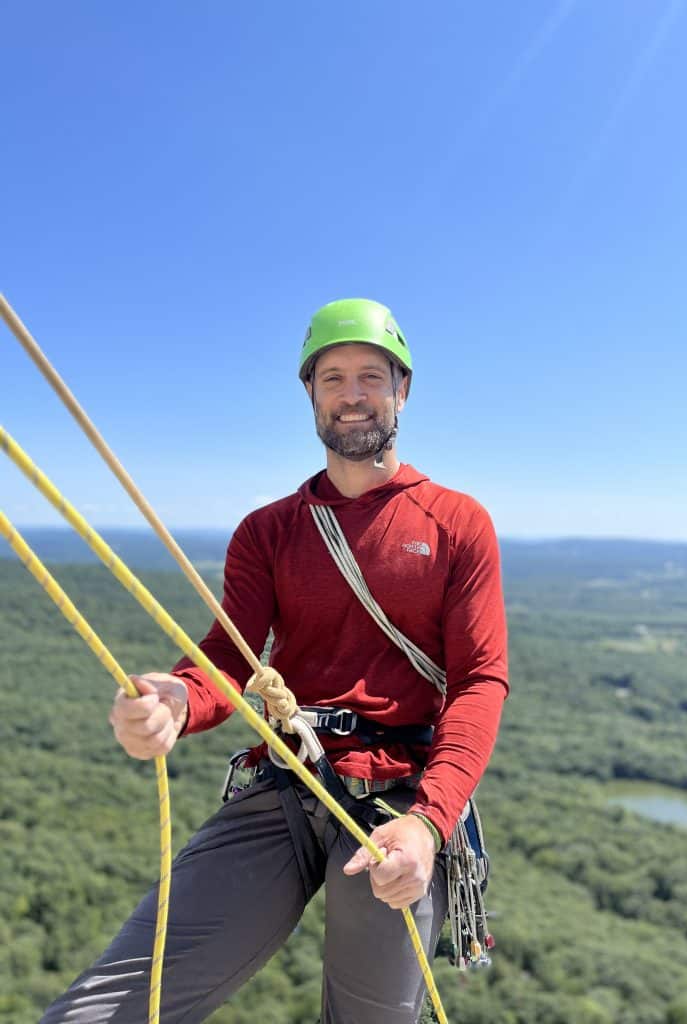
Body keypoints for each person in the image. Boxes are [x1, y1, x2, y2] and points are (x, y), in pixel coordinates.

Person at [40, 298, 509, 1024]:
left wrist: (429, 821)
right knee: (108, 1008)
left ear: (402, 391)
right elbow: (227, 656)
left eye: (370, 377)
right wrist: (177, 699)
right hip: (292, 777)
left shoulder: (456, 524)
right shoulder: (270, 532)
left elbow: (479, 682)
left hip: (398, 798)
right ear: (310, 396)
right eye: (331, 379)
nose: (352, 395)